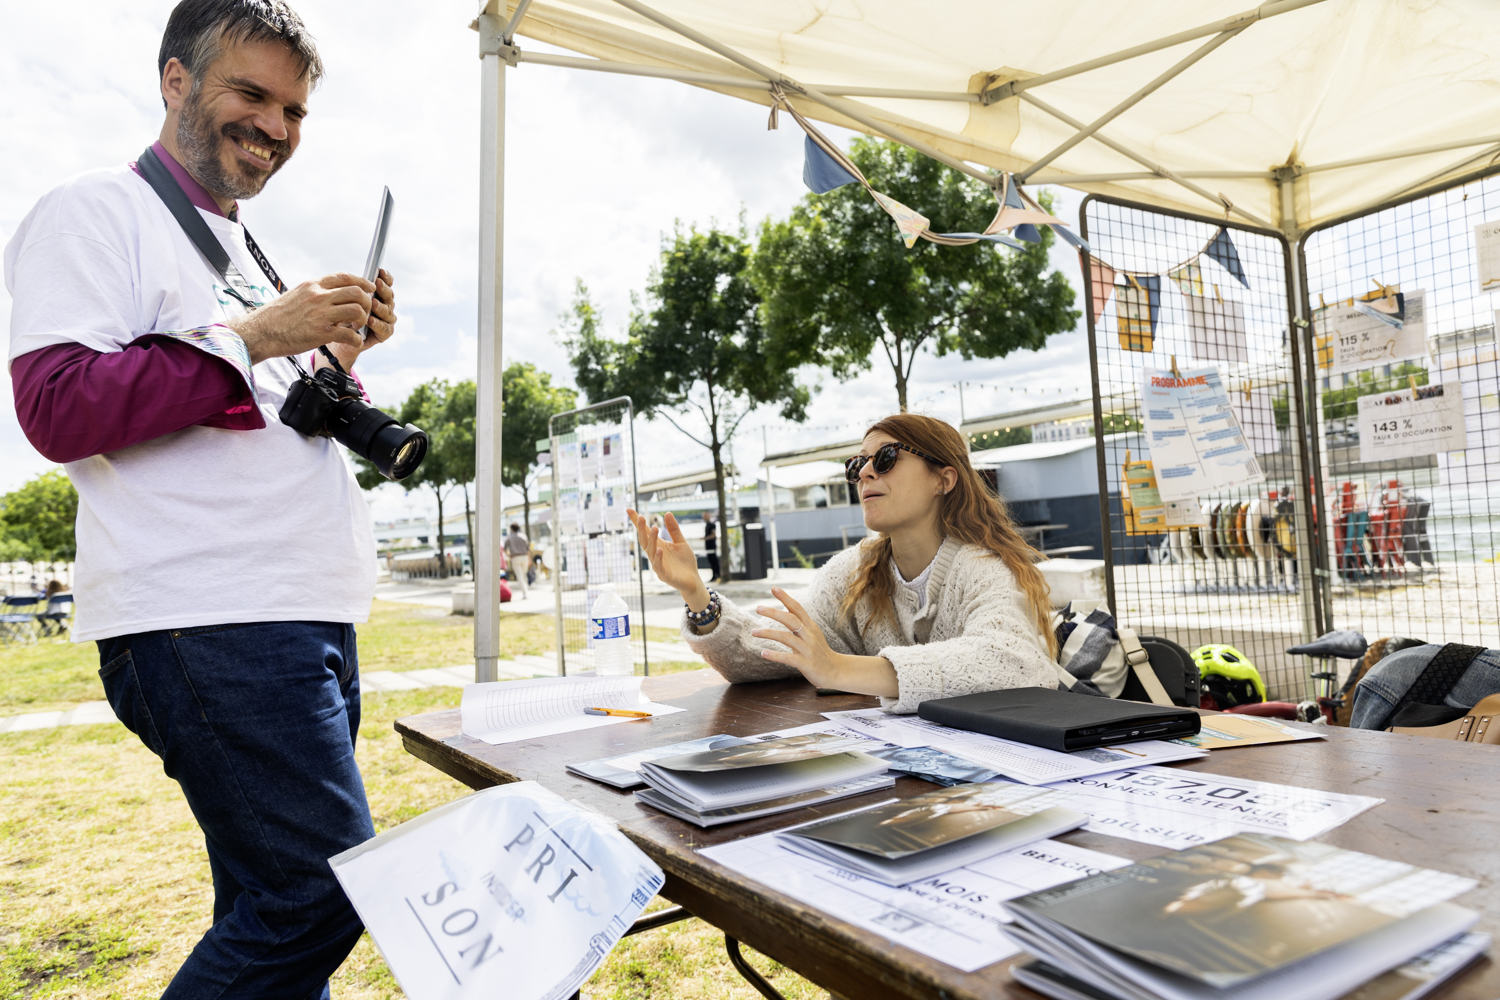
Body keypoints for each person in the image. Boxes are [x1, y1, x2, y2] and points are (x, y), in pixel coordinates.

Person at [4, 2, 397, 995]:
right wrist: (259, 336)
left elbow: (250, 410)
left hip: (296, 611)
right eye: (251, 94)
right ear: (174, 79)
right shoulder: (94, 210)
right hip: (210, 616)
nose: (275, 127)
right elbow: (57, 406)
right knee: (317, 894)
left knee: (268, 902)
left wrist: (332, 355)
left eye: (294, 111)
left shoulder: (237, 246)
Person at [628, 413, 1057, 713]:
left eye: (886, 458)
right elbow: (779, 652)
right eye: (858, 464)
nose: (866, 473)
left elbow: (1015, 664)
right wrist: (696, 594)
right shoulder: (854, 572)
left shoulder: (985, 568)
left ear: (943, 479)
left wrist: (838, 668)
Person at [504, 522, 531, 598]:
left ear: (511, 529)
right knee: (524, 574)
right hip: (524, 557)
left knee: (519, 576)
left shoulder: (509, 537)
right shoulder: (523, 536)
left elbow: (505, 549)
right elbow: (528, 549)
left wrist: (509, 556)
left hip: (515, 558)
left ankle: (524, 592)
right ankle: (526, 591)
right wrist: (529, 559)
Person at [702, 510, 720, 583]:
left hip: (712, 546)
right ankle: (714, 575)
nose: (704, 517)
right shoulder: (707, 525)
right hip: (708, 546)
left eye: (705, 516)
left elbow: (713, 535)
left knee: (714, 561)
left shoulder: (712, 525)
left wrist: (705, 538)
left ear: (709, 516)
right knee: (711, 561)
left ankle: (717, 575)